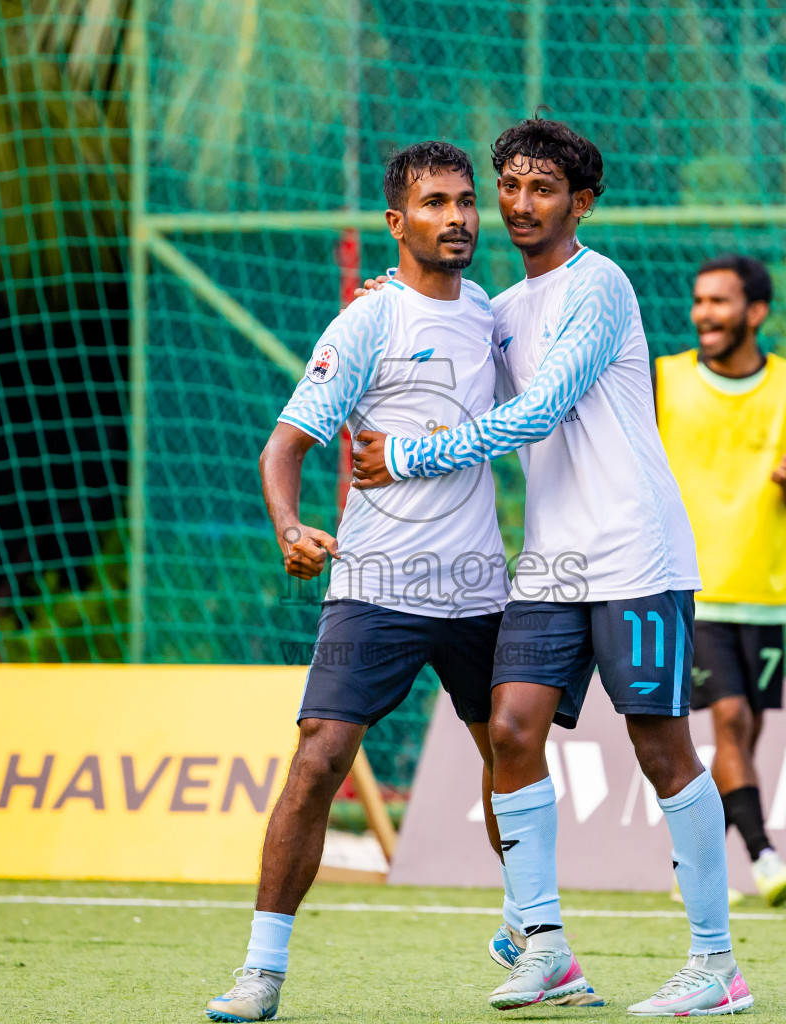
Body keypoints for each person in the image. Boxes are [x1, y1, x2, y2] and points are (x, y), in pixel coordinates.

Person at [354, 118, 751, 1017]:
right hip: (551, 564)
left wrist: (410, 460)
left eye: (543, 189)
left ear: (582, 202)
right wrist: (407, 297)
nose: (521, 204)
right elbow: (455, 371)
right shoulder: (498, 309)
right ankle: (546, 947)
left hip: (635, 553)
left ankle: (716, 964)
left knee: (661, 749)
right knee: (511, 729)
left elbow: (532, 416)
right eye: (511, 186)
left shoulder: (597, 285)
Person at [204, 141, 609, 1022]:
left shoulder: (495, 317)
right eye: (436, 203)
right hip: (374, 587)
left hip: (477, 587)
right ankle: (261, 970)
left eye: (467, 201)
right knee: (318, 762)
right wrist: (289, 528)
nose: (459, 217)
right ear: (399, 222)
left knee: (511, 757)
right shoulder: (366, 323)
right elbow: (284, 447)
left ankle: (541, 942)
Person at [655, 254, 786, 908]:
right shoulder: (665, 379)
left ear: (755, 313)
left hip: (766, 589)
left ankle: (693, 865)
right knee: (727, 718)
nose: (704, 314)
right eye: (699, 301)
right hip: (692, 586)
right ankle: (765, 856)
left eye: (719, 302)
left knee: (744, 734)